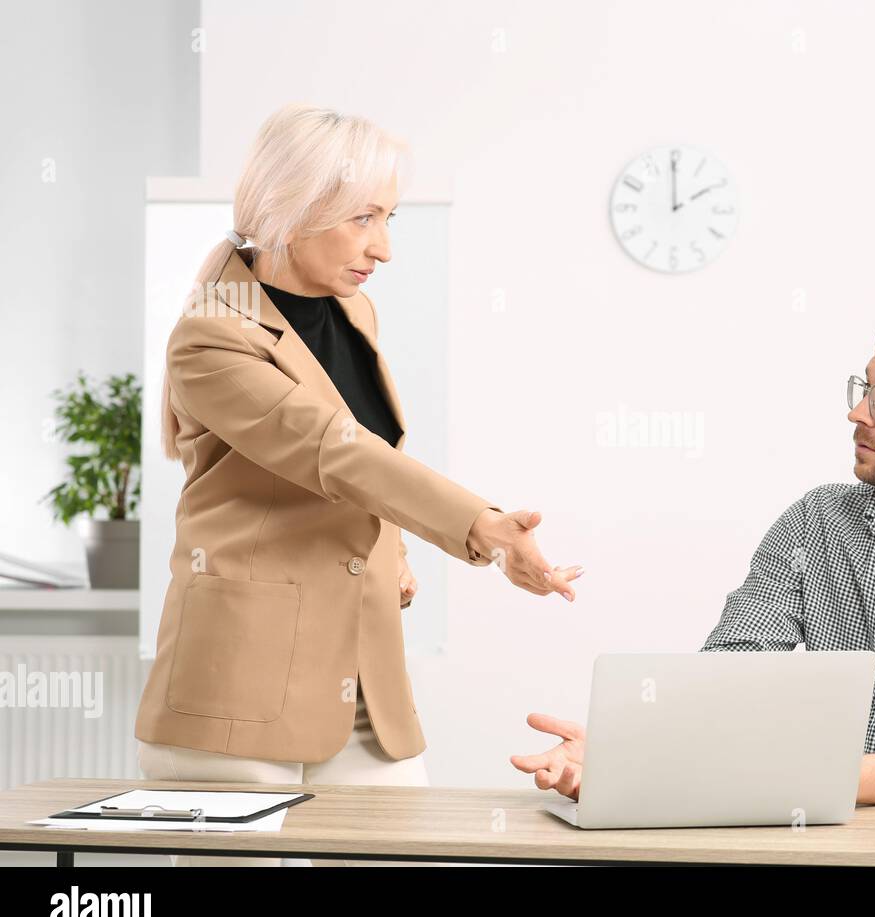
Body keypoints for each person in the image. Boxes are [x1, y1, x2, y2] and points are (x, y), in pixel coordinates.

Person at [136, 104, 581, 866]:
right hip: (240, 689)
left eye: (391, 218)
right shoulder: (211, 333)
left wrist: (395, 551)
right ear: (291, 206)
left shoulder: (354, 310)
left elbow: (360, 464)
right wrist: (483, 526)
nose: (384, 246)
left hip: (364, 687)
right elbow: (330, 450)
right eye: (363, 218)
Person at [511, 303, 875, 867]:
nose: (859, 413)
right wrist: (635, 760)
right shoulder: (815, 523)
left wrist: (785, 775)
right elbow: (732, 675)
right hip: (822, 854)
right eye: (863, 388)